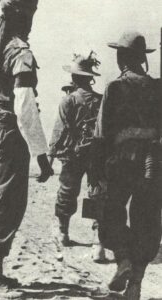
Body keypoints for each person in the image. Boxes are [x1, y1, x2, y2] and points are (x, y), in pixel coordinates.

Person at [0, 0, 53, 298]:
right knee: (6, 203)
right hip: (7, 129)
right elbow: (25, 106)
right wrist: (42, 156)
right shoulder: (20, 51)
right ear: (25, 18)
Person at [94, 31, 161, 299]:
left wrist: (96, 171)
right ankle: (136, 284)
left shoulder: (114, 88)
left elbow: (100, 135)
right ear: (142, 58)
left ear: (122, 57)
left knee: (110, 212)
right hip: (154, 163)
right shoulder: (158, 87)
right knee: (147, 221)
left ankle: (122, 260)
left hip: (121, 162)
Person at [48, 52, 106, 261]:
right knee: (97, 193)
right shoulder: (101, 100)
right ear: (90, 77)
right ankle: (98, 242)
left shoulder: (69, 101)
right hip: (97, 154)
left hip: (73, 154)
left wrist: (50, 156)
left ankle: (63, 232)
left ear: (74, 78)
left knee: (67, 191)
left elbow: (59, 131)